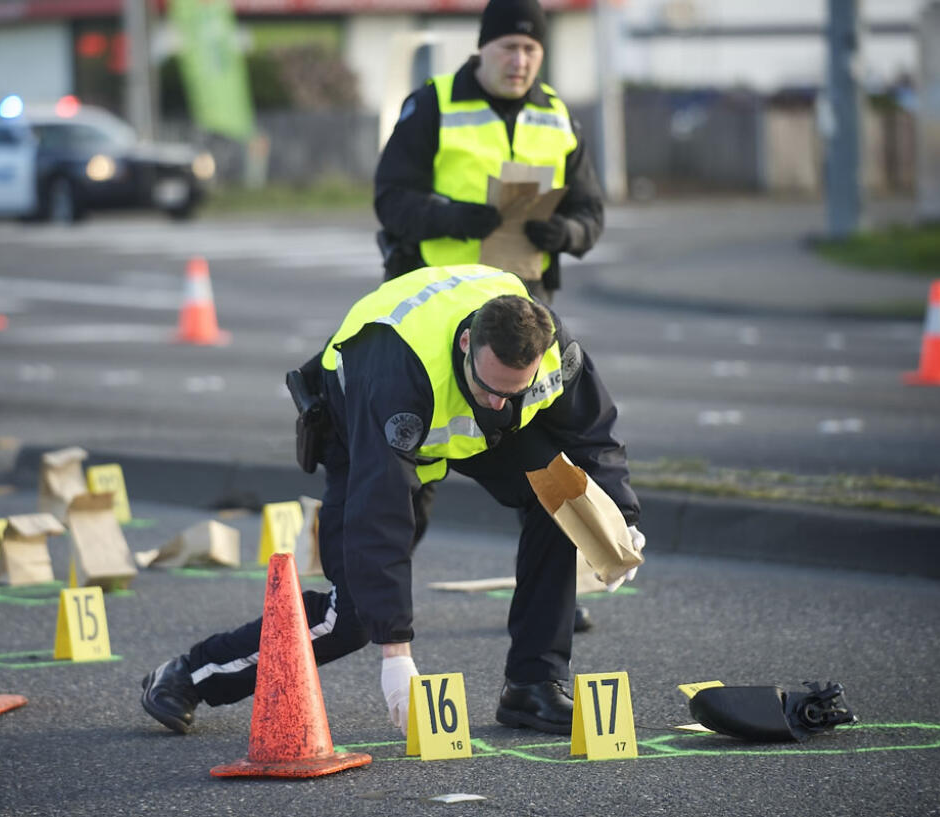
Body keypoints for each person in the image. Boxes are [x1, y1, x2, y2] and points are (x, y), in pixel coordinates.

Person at [141, 264, 644, 738]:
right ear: (467, 343)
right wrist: (396, 654)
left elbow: (592, 437)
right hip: (366, 426)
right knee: (356, 614)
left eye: (515, 392)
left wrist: (617, 522)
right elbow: (380, 514)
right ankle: (189, 674)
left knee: (562, 498)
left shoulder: (553, 348)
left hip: (464, 429)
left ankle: (534, 685)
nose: (500, 403)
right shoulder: (396, 371)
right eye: (491, 388)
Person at [374, 0, 604, 306]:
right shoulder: (434, 105)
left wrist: (564, 233)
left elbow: (590, 212)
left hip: (527, 300)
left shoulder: (558, 116)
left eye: (530, 49)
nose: (520, 61)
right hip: (441, 293)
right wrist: (454, 219)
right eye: (509, 47)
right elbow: (391, 200)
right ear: (482, 47)